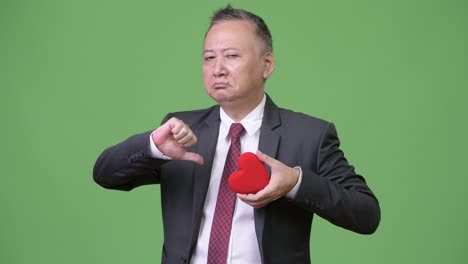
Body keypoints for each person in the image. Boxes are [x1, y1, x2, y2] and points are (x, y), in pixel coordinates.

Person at [93, 5, 380, 264]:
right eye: (208, 58)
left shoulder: (309, 136)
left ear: (266, 65)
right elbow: (105, 174)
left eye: (231, 56)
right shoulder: (179, 132)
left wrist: (295, 183)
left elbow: (366, 214)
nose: (217, 69)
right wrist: (153, 147)